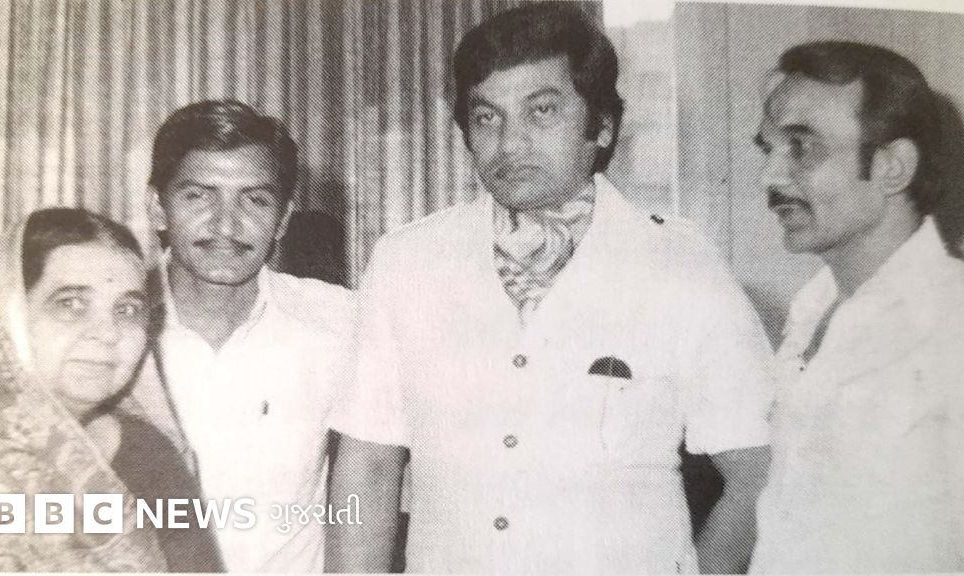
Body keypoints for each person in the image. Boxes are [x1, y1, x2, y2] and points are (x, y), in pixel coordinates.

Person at [327, 4, 775, 573]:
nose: (510, 143)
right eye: (487, 117)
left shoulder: (681, 264)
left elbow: (759, 476)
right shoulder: (407, 262)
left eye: (542, 111)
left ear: (602, 125)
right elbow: (368, 465)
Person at [749, 41, 964, 572]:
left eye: (801, 147)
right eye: (768, 149)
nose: (770, 177)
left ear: (892, 167)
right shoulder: (810, 312)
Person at [139, 100, 354, 572]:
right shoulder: (111, 331)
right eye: (199, 196)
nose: (226, 225)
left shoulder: (341, 321)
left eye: (255, 200)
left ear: (283, 218)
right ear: (158, 208)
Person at [0, 207, 219, 572]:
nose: (108, 333)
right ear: (7, 315)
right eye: (71, 304)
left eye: (127, 309)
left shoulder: (146, 454)